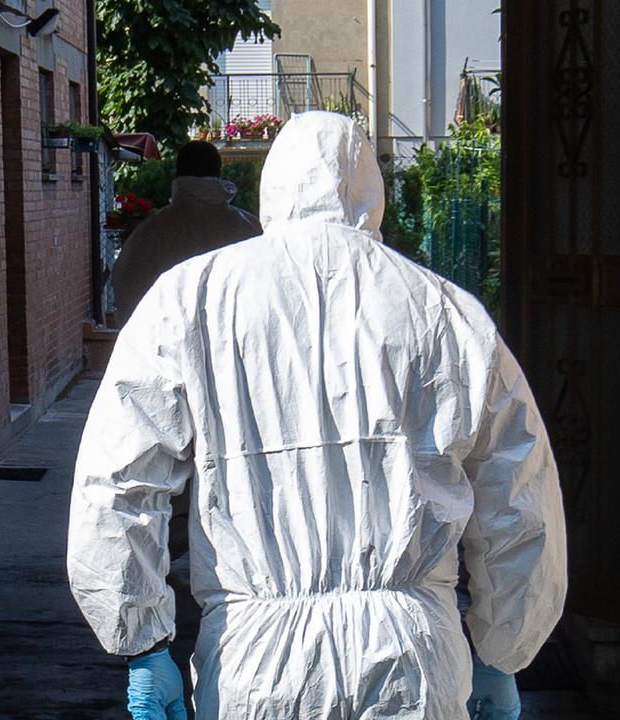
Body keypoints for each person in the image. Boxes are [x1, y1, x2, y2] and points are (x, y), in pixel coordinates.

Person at [66, 112, 566, 719]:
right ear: (371, 193)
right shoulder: (448, 314)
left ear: (271, 188)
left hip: (258, 669)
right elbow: (520, 499)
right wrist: (501, 649)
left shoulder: (190, 298)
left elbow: (117, 484)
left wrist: (143, 643)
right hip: (412, 663)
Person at [110, 140, 262, 326]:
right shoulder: (250, 229)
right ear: (219, 172)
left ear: (178, 172)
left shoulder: (152, 231)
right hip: (239, 343)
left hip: (169, 345)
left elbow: (127, 289)